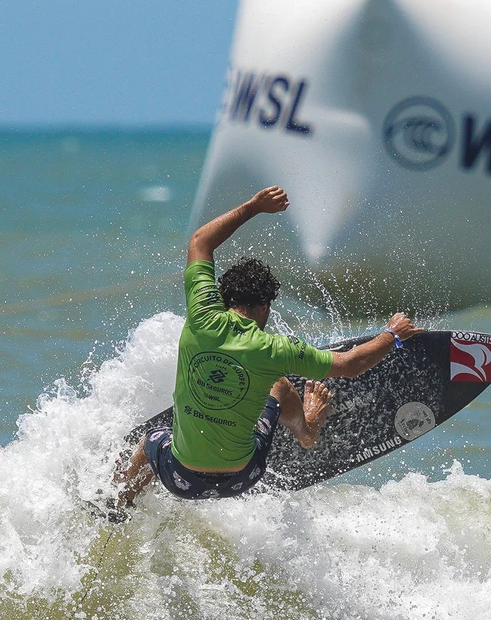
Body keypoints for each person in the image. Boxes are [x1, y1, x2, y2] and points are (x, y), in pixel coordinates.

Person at [111, 185, 420, 514]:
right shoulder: (275, 349)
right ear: (264, 305)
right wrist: (392, 334)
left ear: (225, 298)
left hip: (179, 478)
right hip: (243, 477)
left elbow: (201, 241)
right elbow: (349, 364)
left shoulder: (200, 317)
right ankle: (307, 430)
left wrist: (254, 206)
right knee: (281, 384)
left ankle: (122, 494)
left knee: (149, 442)